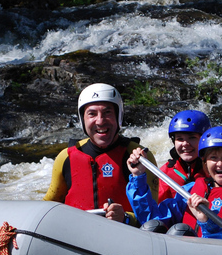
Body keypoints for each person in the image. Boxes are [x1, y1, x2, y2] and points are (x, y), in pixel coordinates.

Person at [125, 126, 222, 242]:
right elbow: (152, 218)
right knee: (153, 227)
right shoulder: (191, 190)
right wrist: (138, 176)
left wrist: (206, 221)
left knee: (180, 231)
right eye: (213, 158)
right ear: (205, 162)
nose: (220, 164)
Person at [44, 83, 159, 225]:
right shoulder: (65, 157)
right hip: (75, 237)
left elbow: (154, 218)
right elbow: (47, 207)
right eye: (92, 114)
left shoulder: (138, 156)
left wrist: (126, 218)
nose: (100, 121)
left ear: (119, 116)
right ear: (83, 119)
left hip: (124, 237)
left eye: (107, 113)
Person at [157, 110, 211, 202]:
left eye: (192, 137)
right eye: (180, 139)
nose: (185, 144)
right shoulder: (165, 173)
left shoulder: (216, 169)